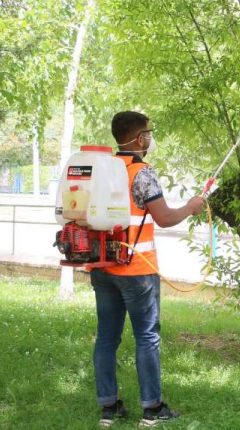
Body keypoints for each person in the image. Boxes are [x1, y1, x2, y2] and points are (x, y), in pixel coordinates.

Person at [91, 111, 205, 427]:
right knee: (147, 337)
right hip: (137, 271)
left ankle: (109, 408)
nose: (150, 138)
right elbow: (165, 217)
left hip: (104, 268)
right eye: (148, 133)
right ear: (140, 138)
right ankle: (152, 409)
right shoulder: (142, 173)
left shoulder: (104, 170)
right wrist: (192, 207)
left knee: (106, 338)